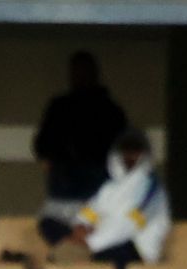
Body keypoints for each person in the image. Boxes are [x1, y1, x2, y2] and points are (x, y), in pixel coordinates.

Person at [34, 51, 129, 248]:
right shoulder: (60, 107)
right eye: (76, 72)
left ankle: (84, 246)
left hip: (97, 188)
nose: (79, 77)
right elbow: (43, 145)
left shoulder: (110, 111)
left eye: (84, 72)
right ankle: (75, 245)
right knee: (49, 224)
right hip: (64, 190)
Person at [54, 128, 170, 268]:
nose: (129, 156)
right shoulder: (108, 189)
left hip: (138, 252)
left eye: (135, 152)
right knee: (55, 235)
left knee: (100, 254)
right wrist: (81, 226)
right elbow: (90, 212)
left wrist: (91, 242)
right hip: (100, 246)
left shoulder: (153, 190)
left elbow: (129, 224)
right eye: (125, 151)